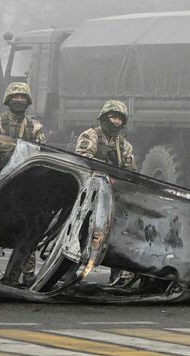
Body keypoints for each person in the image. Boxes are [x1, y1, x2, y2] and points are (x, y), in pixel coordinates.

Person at [0, 82, 46, 286]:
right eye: (15, 97)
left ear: (28, 101)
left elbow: (42, 155)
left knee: (28, 229)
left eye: (22, 97)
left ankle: (28, 273)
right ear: (8, 100)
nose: (19, 100)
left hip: (26, 187)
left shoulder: (36, 128)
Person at [75, 99, 136, 285]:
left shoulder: (124, 146)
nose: (116, 122)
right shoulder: (90, 136)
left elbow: (130, 172)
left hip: (112, 196)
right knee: (82, 234)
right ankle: (71, 271)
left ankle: (116, 275)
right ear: (104, 117)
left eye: (119, 119)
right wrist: (107, 168)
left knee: (116, 236)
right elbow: (83, 161)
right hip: (90, 195)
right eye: (113, 117)